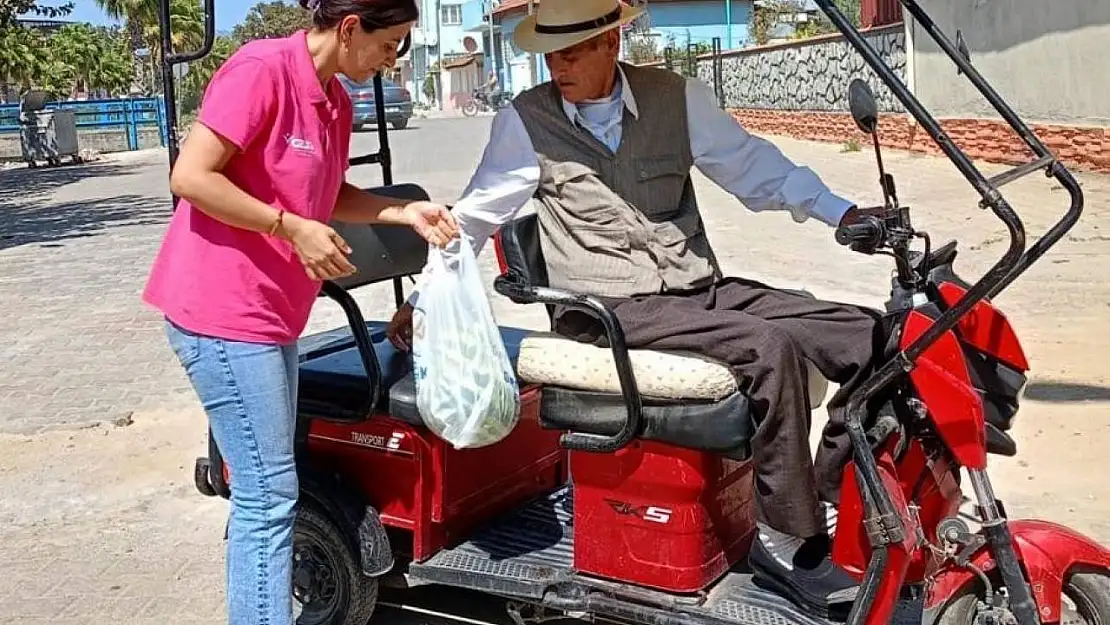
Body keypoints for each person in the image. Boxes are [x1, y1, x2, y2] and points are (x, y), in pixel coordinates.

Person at [387, 0, 883, 616]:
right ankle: (787, 539)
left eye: (571, 52)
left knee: (865, 335)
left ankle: (840, 497)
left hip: (692, 288)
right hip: (604, 308)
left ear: (610, 42)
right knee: (767, 349)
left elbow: (758, 170)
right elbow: (475, 213)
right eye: (549, 54)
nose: (557, 66)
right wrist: (425, 298)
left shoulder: (676, 98)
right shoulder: (526, 122)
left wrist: (844, 213)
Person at [141, 0, 458, 622]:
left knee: (269, 486)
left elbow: (328, 191)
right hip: (220, 311)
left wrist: (402, 212)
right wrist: (288, 227)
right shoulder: (261, 70)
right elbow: (192, 176)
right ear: (348, 29)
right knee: (267, 493)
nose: (394, 60)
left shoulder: (335, 100)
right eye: (390, 43)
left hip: (271, 317)